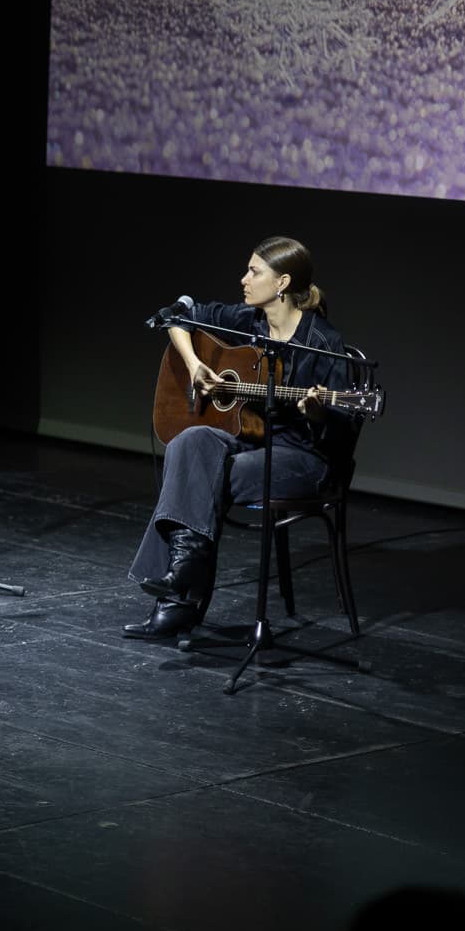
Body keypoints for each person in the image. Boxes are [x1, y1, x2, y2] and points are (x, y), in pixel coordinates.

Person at [126, 236, 358, 639]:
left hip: (302, 456)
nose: (243, 279)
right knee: (188, 442)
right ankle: (183, 574)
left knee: (198, 478)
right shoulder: (247, 320)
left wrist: (318, 414)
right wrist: (196, 364)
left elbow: (341, 432)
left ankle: (179, 596)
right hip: (251, 441)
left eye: (254, 271)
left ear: (282, 283)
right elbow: (181, 318)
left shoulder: (323, 343)